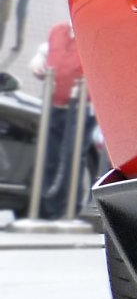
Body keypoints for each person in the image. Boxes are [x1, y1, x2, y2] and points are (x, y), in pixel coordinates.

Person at [30, 20, 84, 218]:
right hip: (53, 105)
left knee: (73, 157)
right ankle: (46, 207)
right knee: (49, 155)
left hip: (79, 108)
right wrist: (37, 61)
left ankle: (70, 208)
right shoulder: (58, 31)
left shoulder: (88, 31)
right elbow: (43, 52)